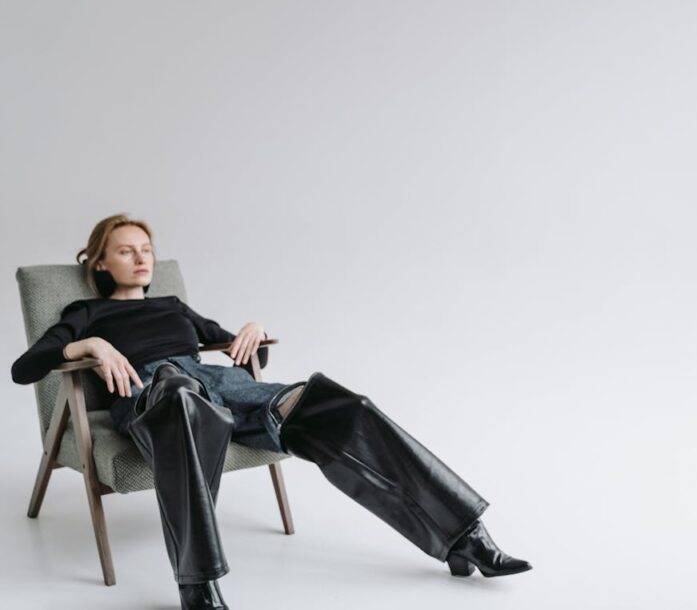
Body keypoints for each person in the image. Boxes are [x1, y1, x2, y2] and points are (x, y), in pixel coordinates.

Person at [12, 213, 531, 610]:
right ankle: (199, 582)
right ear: (100, 263)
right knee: (182, 396)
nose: (141, 257)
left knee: (344, 408)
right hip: (158, 394)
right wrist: (92, 347)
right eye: (126, 251)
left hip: (226, 388)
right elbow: (26, 366)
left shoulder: (173, 308)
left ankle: (463, 538)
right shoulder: (86, 313)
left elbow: (241, 351)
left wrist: (253, 331)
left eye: (146, 249)